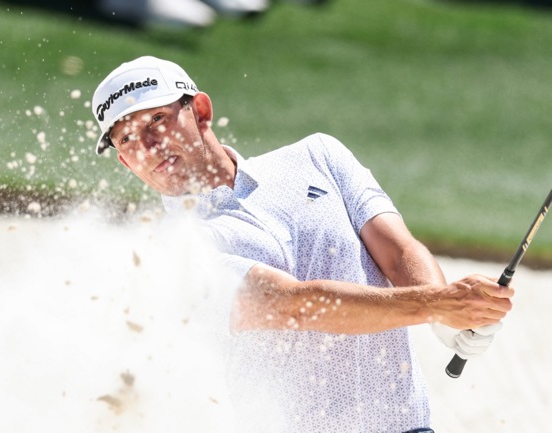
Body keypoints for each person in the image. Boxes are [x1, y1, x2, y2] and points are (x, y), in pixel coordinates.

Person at [90, 56, 514, 432]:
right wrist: (435, 305)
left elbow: (397, 250)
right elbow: (296, 305)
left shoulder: (318, 157)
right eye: (127, 139)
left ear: (200, 111)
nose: (148, 146)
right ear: (124, 161)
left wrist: (446, 316)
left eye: (157, 120)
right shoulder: (174, 252)